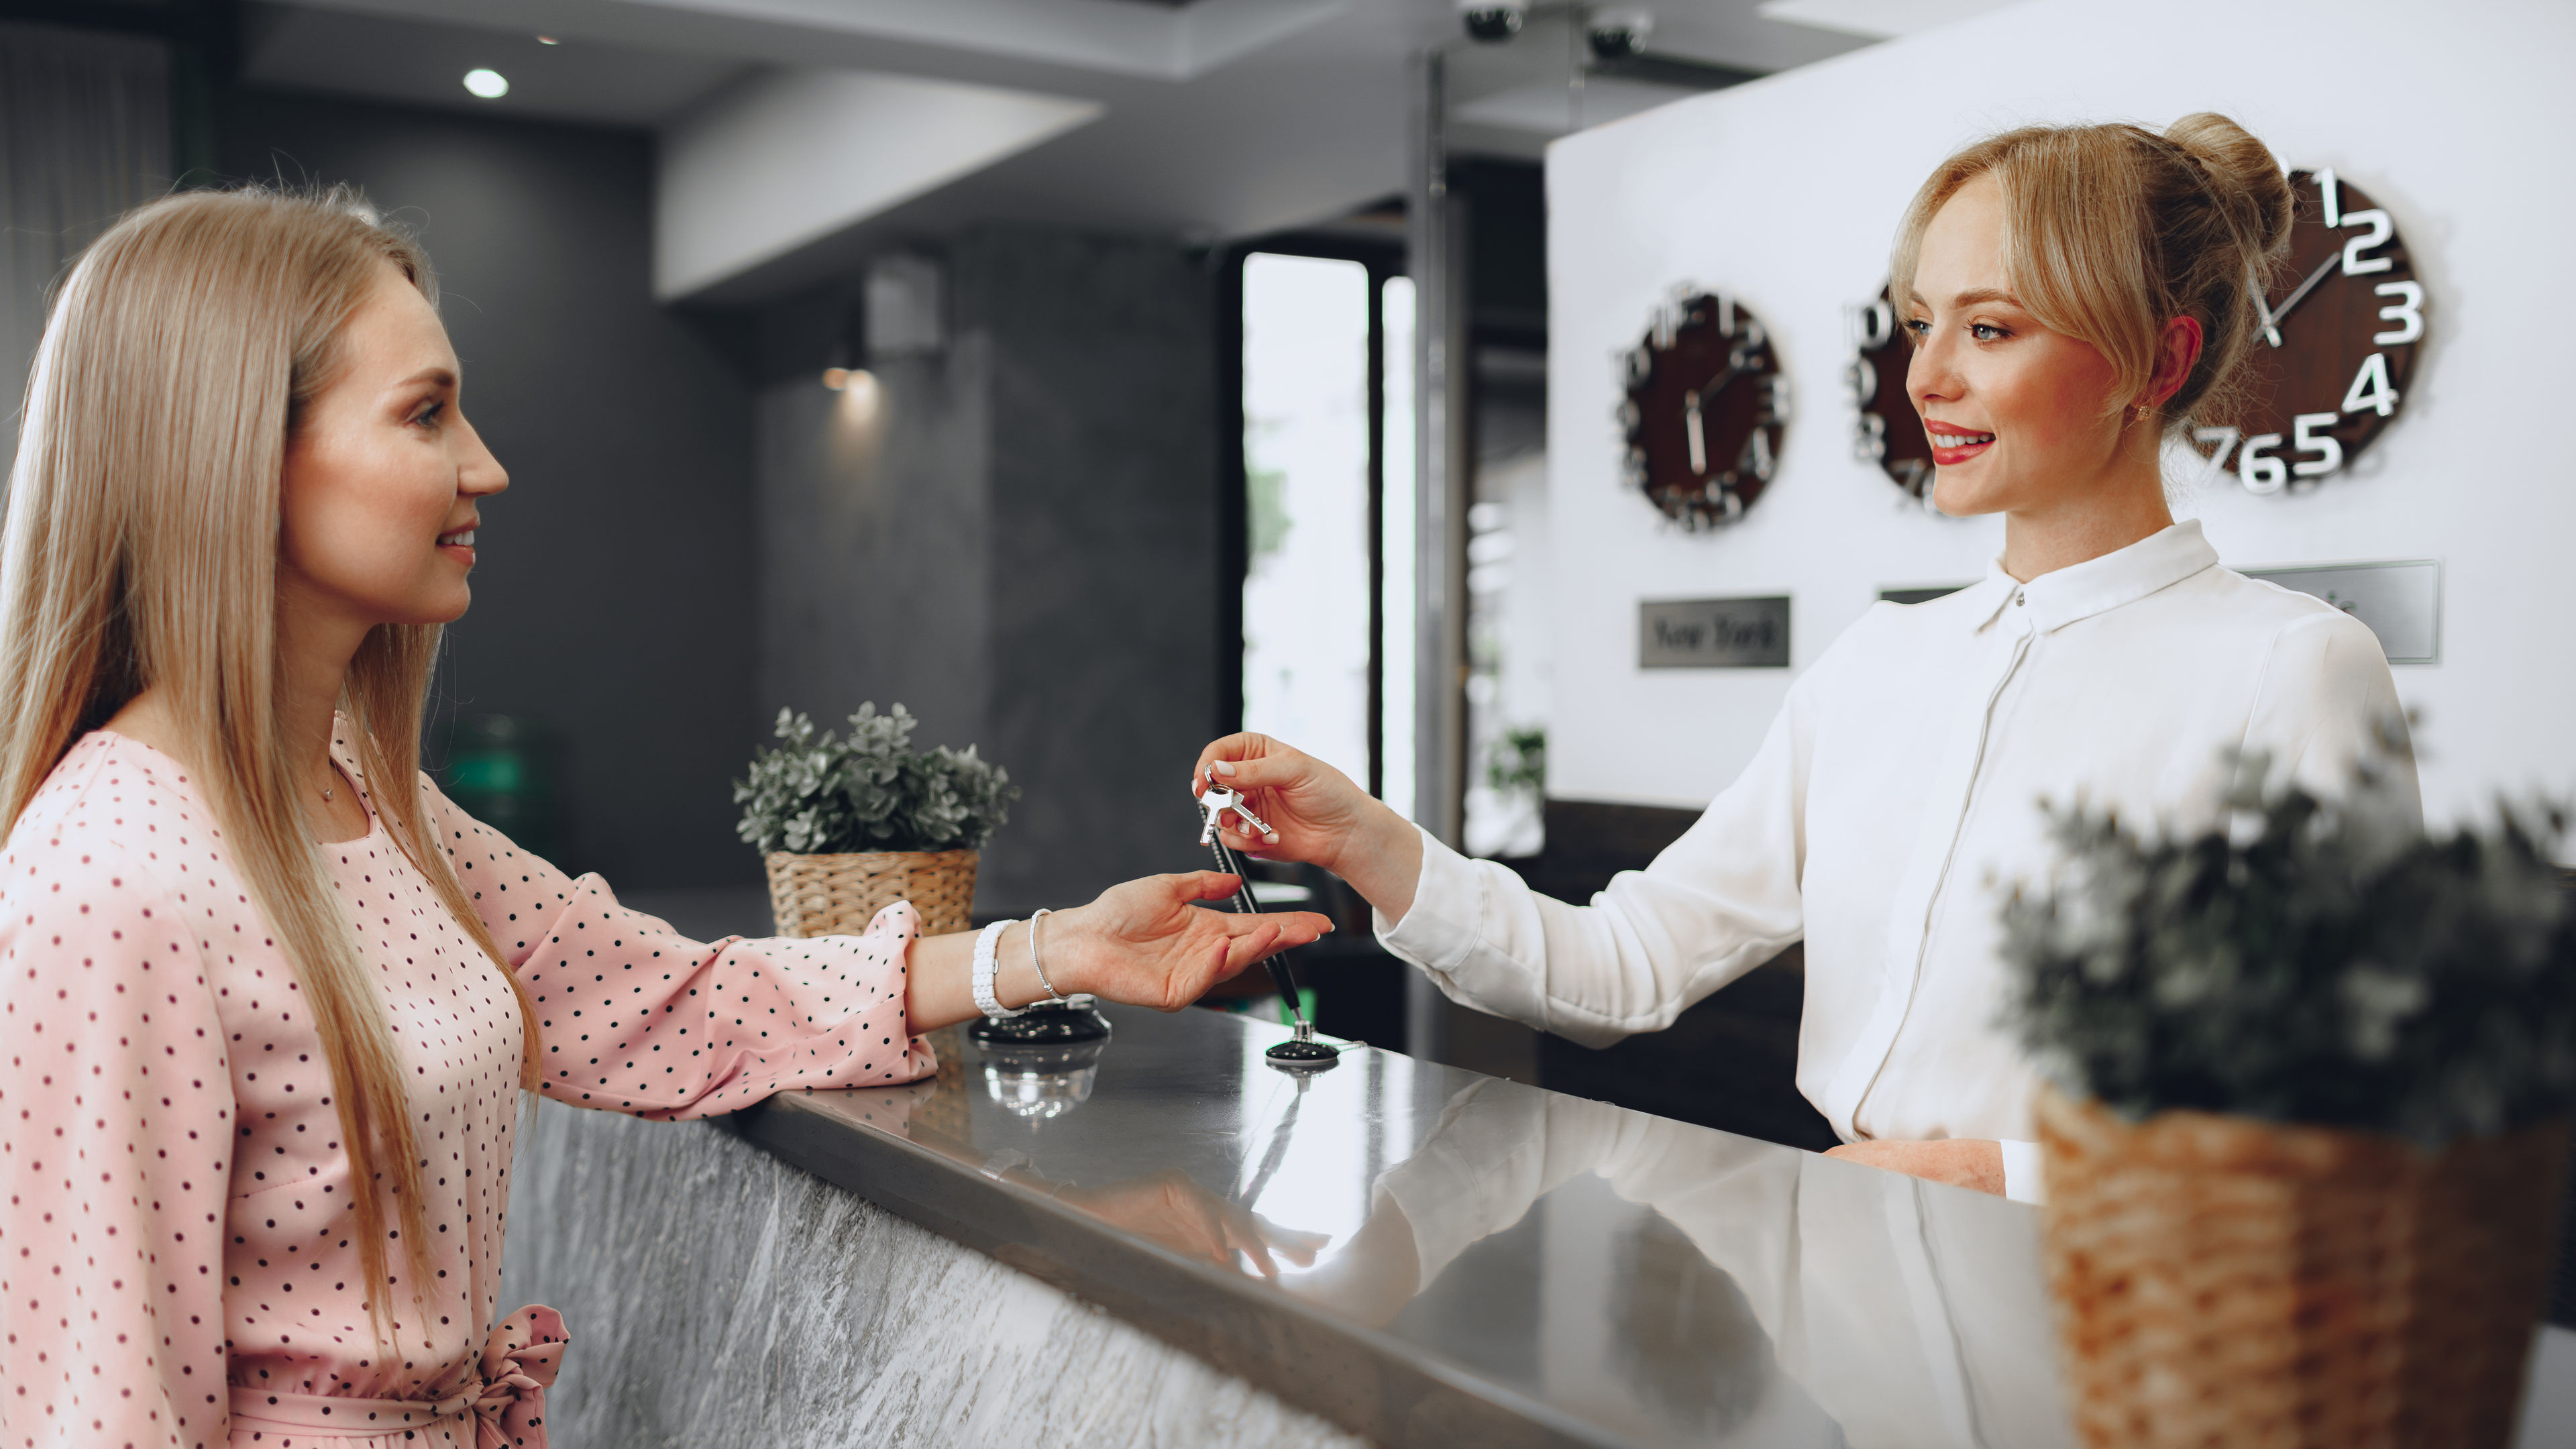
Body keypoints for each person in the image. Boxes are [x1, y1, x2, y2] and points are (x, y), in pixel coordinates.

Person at [0, 184, 1330, 1448]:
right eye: (426, 414)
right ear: (239, 454)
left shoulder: (358, 791)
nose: (488, 466)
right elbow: (99, 1415)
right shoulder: (111, 887)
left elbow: (657, 1000)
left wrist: (1053, 953)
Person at [1193, 115, 2418, 1204]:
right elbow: (1624, 966)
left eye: (1989, 328)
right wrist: (1369, 843)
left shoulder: (2294, 669)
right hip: (1857, 1284)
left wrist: (2010, 1176)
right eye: (1922, 324)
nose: (1926, 376)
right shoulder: (1879, 663)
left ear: (2156, 362)